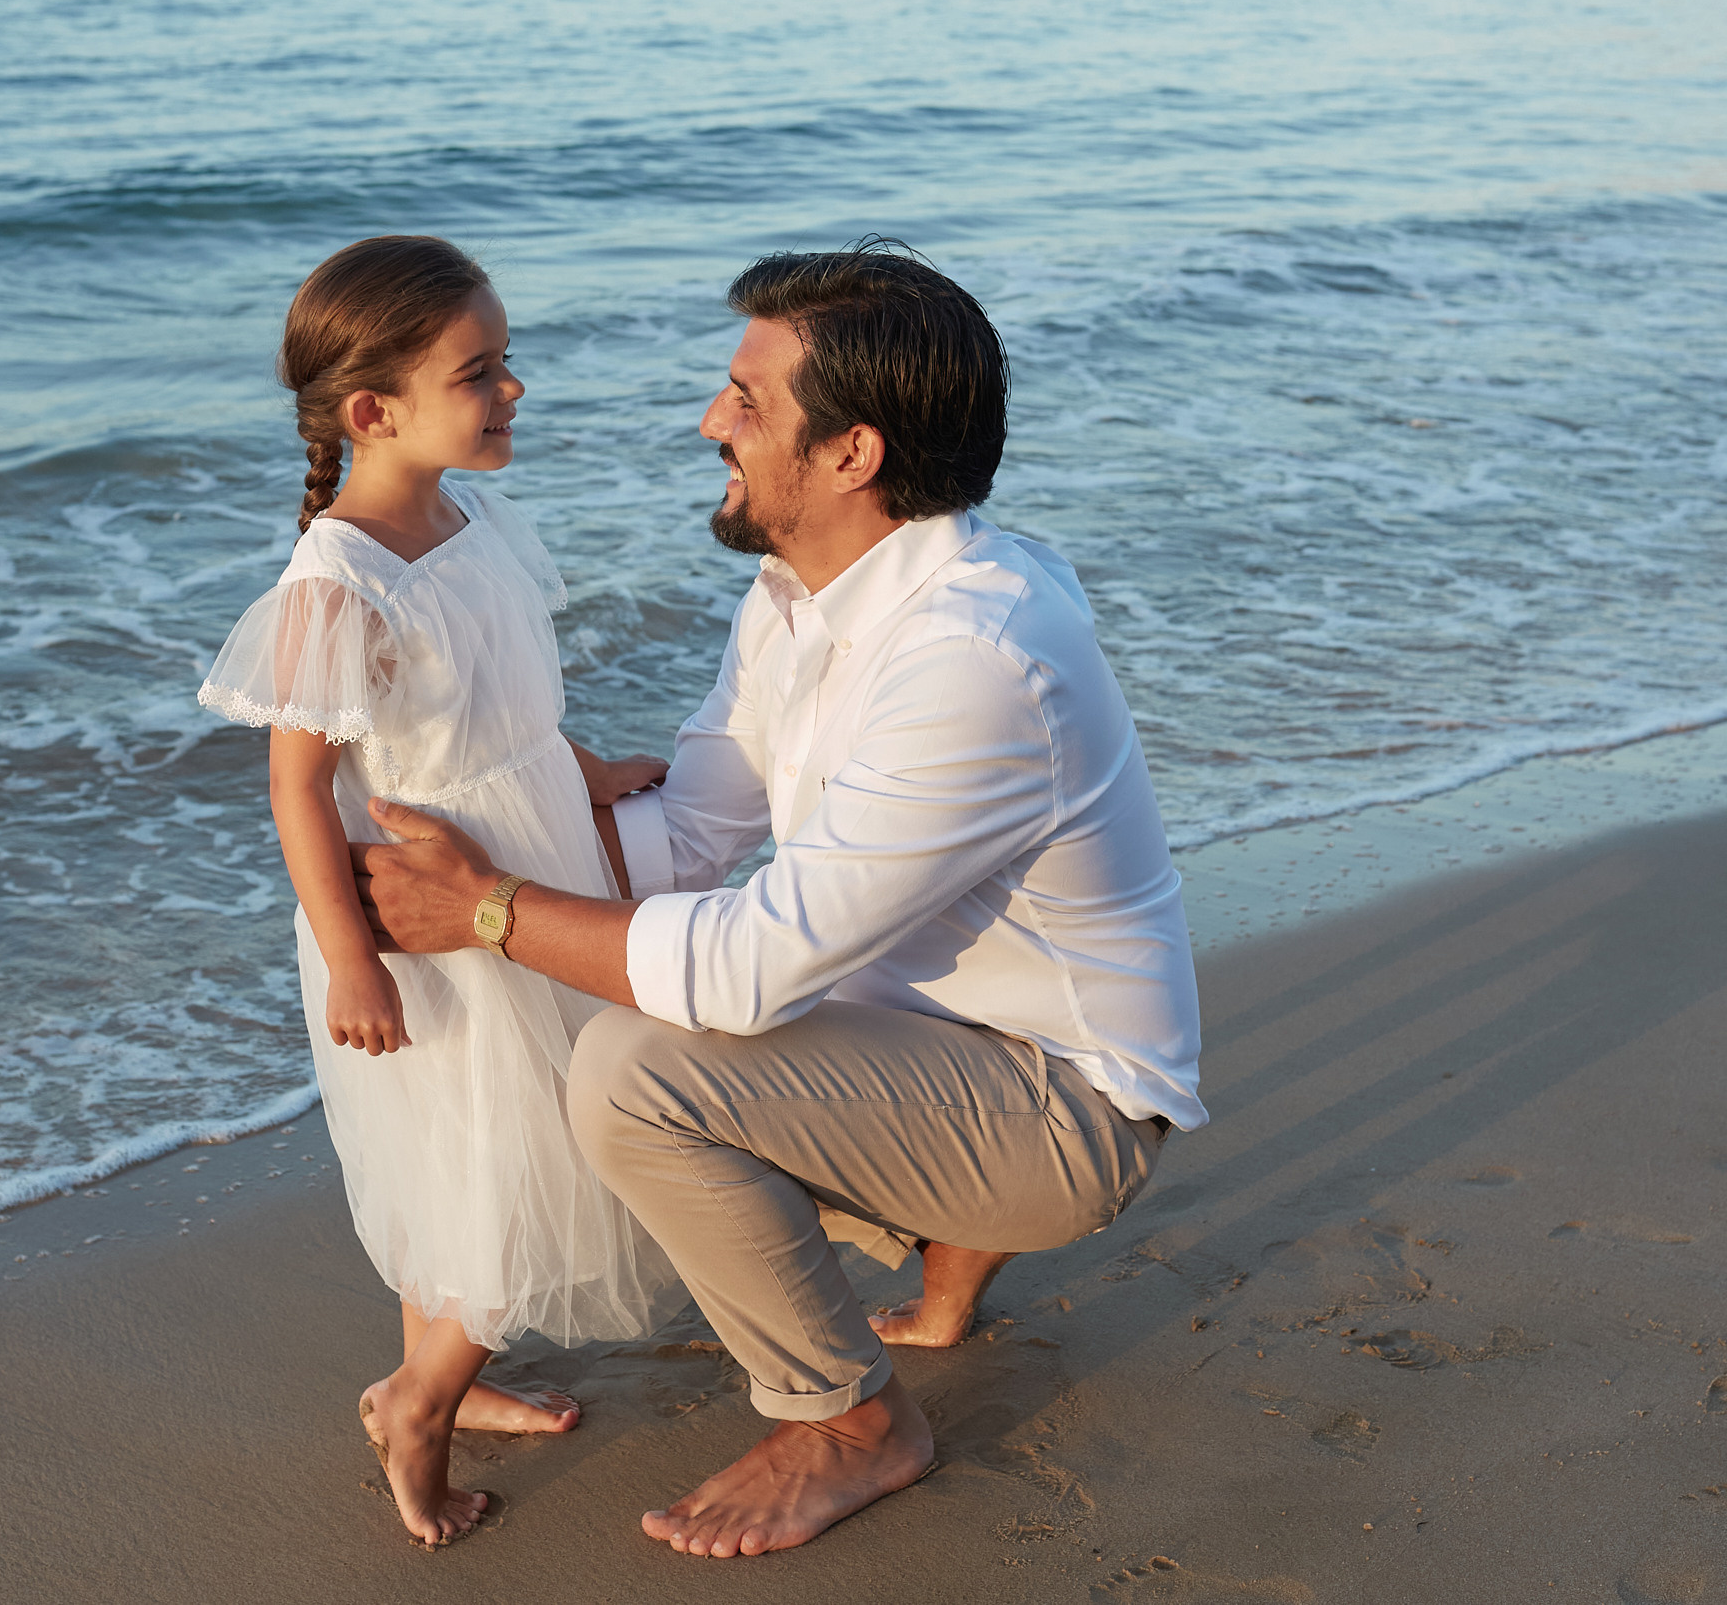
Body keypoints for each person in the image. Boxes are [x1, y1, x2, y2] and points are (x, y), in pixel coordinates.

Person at [351, 240, 1205, 1559]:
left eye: (748, 401)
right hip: (951, 1047)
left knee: (632, 1070)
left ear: (853, 454)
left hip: (1065, 1114)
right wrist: (482, 839)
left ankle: (852, 1424)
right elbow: (693, 829)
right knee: (624, 978)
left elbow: (751, 970)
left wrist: (493, 911)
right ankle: (944, 1278)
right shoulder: (809, 589)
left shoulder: (972, 659)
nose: (712, 420)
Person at [194, 235, 674, 1548]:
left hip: (525, 864)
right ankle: (417, 1405)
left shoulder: (473, 518)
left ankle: (445, 1374)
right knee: (509, 1168)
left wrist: (588, 774)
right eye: (479, 372)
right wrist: (351, 958)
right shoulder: (335, 585)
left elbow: (510, 703)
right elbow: (300, 791)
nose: (513, 388)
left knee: (469, 1161)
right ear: (373, 411)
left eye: (507, 360)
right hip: (429, 921)